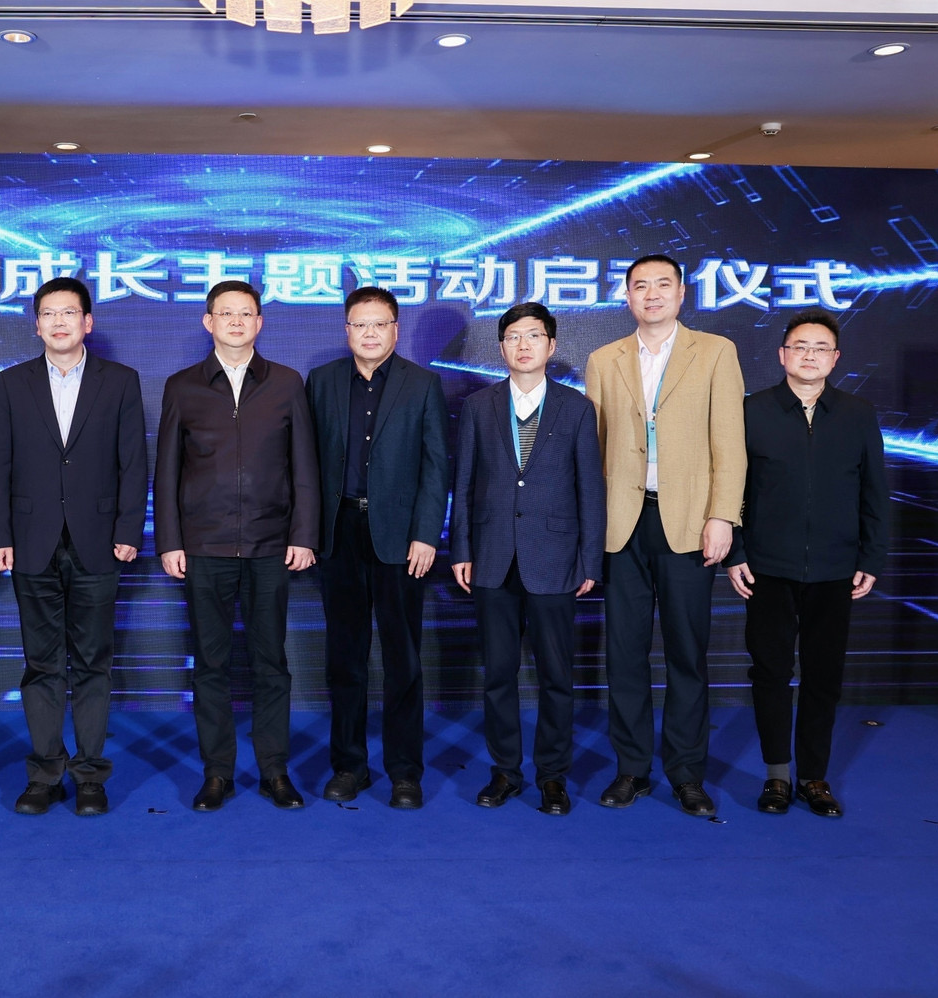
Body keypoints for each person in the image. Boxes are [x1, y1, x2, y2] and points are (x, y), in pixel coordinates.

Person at [583, 255, 745, 817]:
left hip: (690, 522)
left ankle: (686, 773)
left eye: (662, 285)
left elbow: (730, 442)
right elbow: (594, 450)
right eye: (639, 286)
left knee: (687, 654)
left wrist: (723, 515)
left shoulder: (715, 351)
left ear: (681, 294)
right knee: (624, 654)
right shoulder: (604, 359)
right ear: (626, 296)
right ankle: (631, 768)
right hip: (622, 524)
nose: (651, 294)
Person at [0, 277, 148, 817]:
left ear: (88, 322)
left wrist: (128, 530)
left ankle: (91, 775)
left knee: (94, 663)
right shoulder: (11, 383)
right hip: (30, 541)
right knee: (41, 664)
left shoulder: (120, 381)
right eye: (49, 314)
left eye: (69, 313)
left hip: (98, 542)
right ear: (36, 325)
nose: (59, 322)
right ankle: (45, 774)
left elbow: (133, 463)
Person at [155, 279, 321, 811]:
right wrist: (170, 540)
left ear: (259, 322)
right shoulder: (183, 386)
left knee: (272, 663)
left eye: (245, 313)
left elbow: (305, 466)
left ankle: (275, 770)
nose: (235, 322)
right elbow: (166, 470)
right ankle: (217, 773)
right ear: (208, 322)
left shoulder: (286, 383)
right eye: (225, 313)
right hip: (204, 547)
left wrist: (304, 535)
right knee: (211, 665)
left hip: (271, 545)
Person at [725, 309, 888, 818]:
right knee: (770, 672)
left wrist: (870, 555)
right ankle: (777, 775)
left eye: (820, 348)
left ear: (835, 359)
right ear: (782, 355)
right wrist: (735, 553)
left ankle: (814, 777)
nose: (809, 355)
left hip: (836, 568)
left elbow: (874, 492)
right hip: (767, 567)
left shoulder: (858, 413)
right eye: (800, 346)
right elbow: (731, 488)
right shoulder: (751, 411)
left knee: (823, 675)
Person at [451, 302, 605, 816]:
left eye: (534, 336)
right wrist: (462, 550)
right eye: (514, 336)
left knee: (556, 676)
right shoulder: (479, 406)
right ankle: (505, 771)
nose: (523, 345)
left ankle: (553, 775)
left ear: (551, 345)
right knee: (498, 673)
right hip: (492, 557)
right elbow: (464, 483)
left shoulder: (576, 407)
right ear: (501, 347)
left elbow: (591, 488)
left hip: (556, 558)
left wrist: (590, 560)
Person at [306, 286, 448, 809]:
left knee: (402, 658)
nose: (370, 333)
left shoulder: (423, 383)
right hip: (339, 532)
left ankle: (404, 771)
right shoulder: (321, 382)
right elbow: (306, 463)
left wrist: (427, 534)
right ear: (347, 330)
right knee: (345, 657)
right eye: (360, 324)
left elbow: (437, 465)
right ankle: (349, 766)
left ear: (395, 329)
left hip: (402, 537)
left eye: (379, 324)